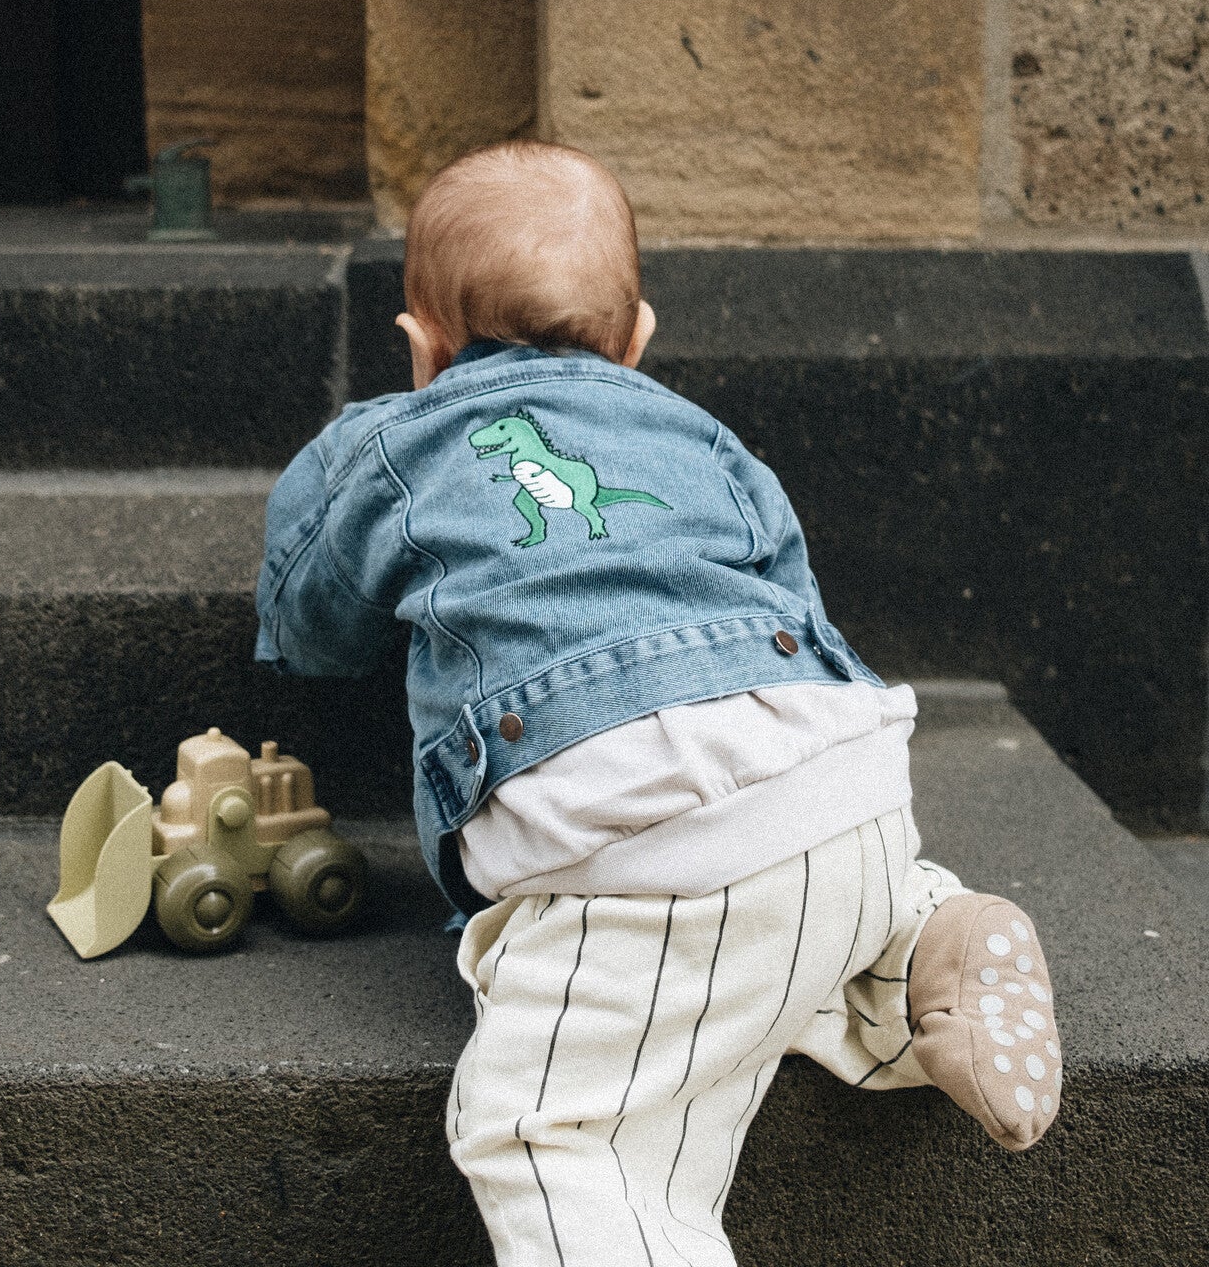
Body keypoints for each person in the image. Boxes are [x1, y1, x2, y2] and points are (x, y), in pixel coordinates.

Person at [256, 140, 1061, 1265]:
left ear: (420, 346)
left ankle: (898, 947)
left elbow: (306, 608)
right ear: (638, 343)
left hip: (638, 842)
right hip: (844, 779)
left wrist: (308, 638)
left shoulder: (394, 440)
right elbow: (793, 600)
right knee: (758, 958)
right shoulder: (707, 440)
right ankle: (920, 929)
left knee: (553, 1131)